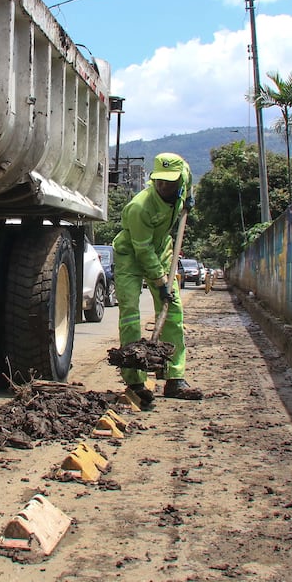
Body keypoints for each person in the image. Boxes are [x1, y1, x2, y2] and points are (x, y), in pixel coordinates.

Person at [111, 152, 204, 403]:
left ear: (180, 180)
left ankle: (175, 378)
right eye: (159, 181)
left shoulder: (183, 179)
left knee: (173, 312)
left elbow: (187, 173)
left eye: (169, 182)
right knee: (130, 314)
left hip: (162, 250)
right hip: (131, 254)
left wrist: (189, 196)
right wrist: (161, 281)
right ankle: (135, 381)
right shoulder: (140, 207)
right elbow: (142, 250)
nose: (163, 186)